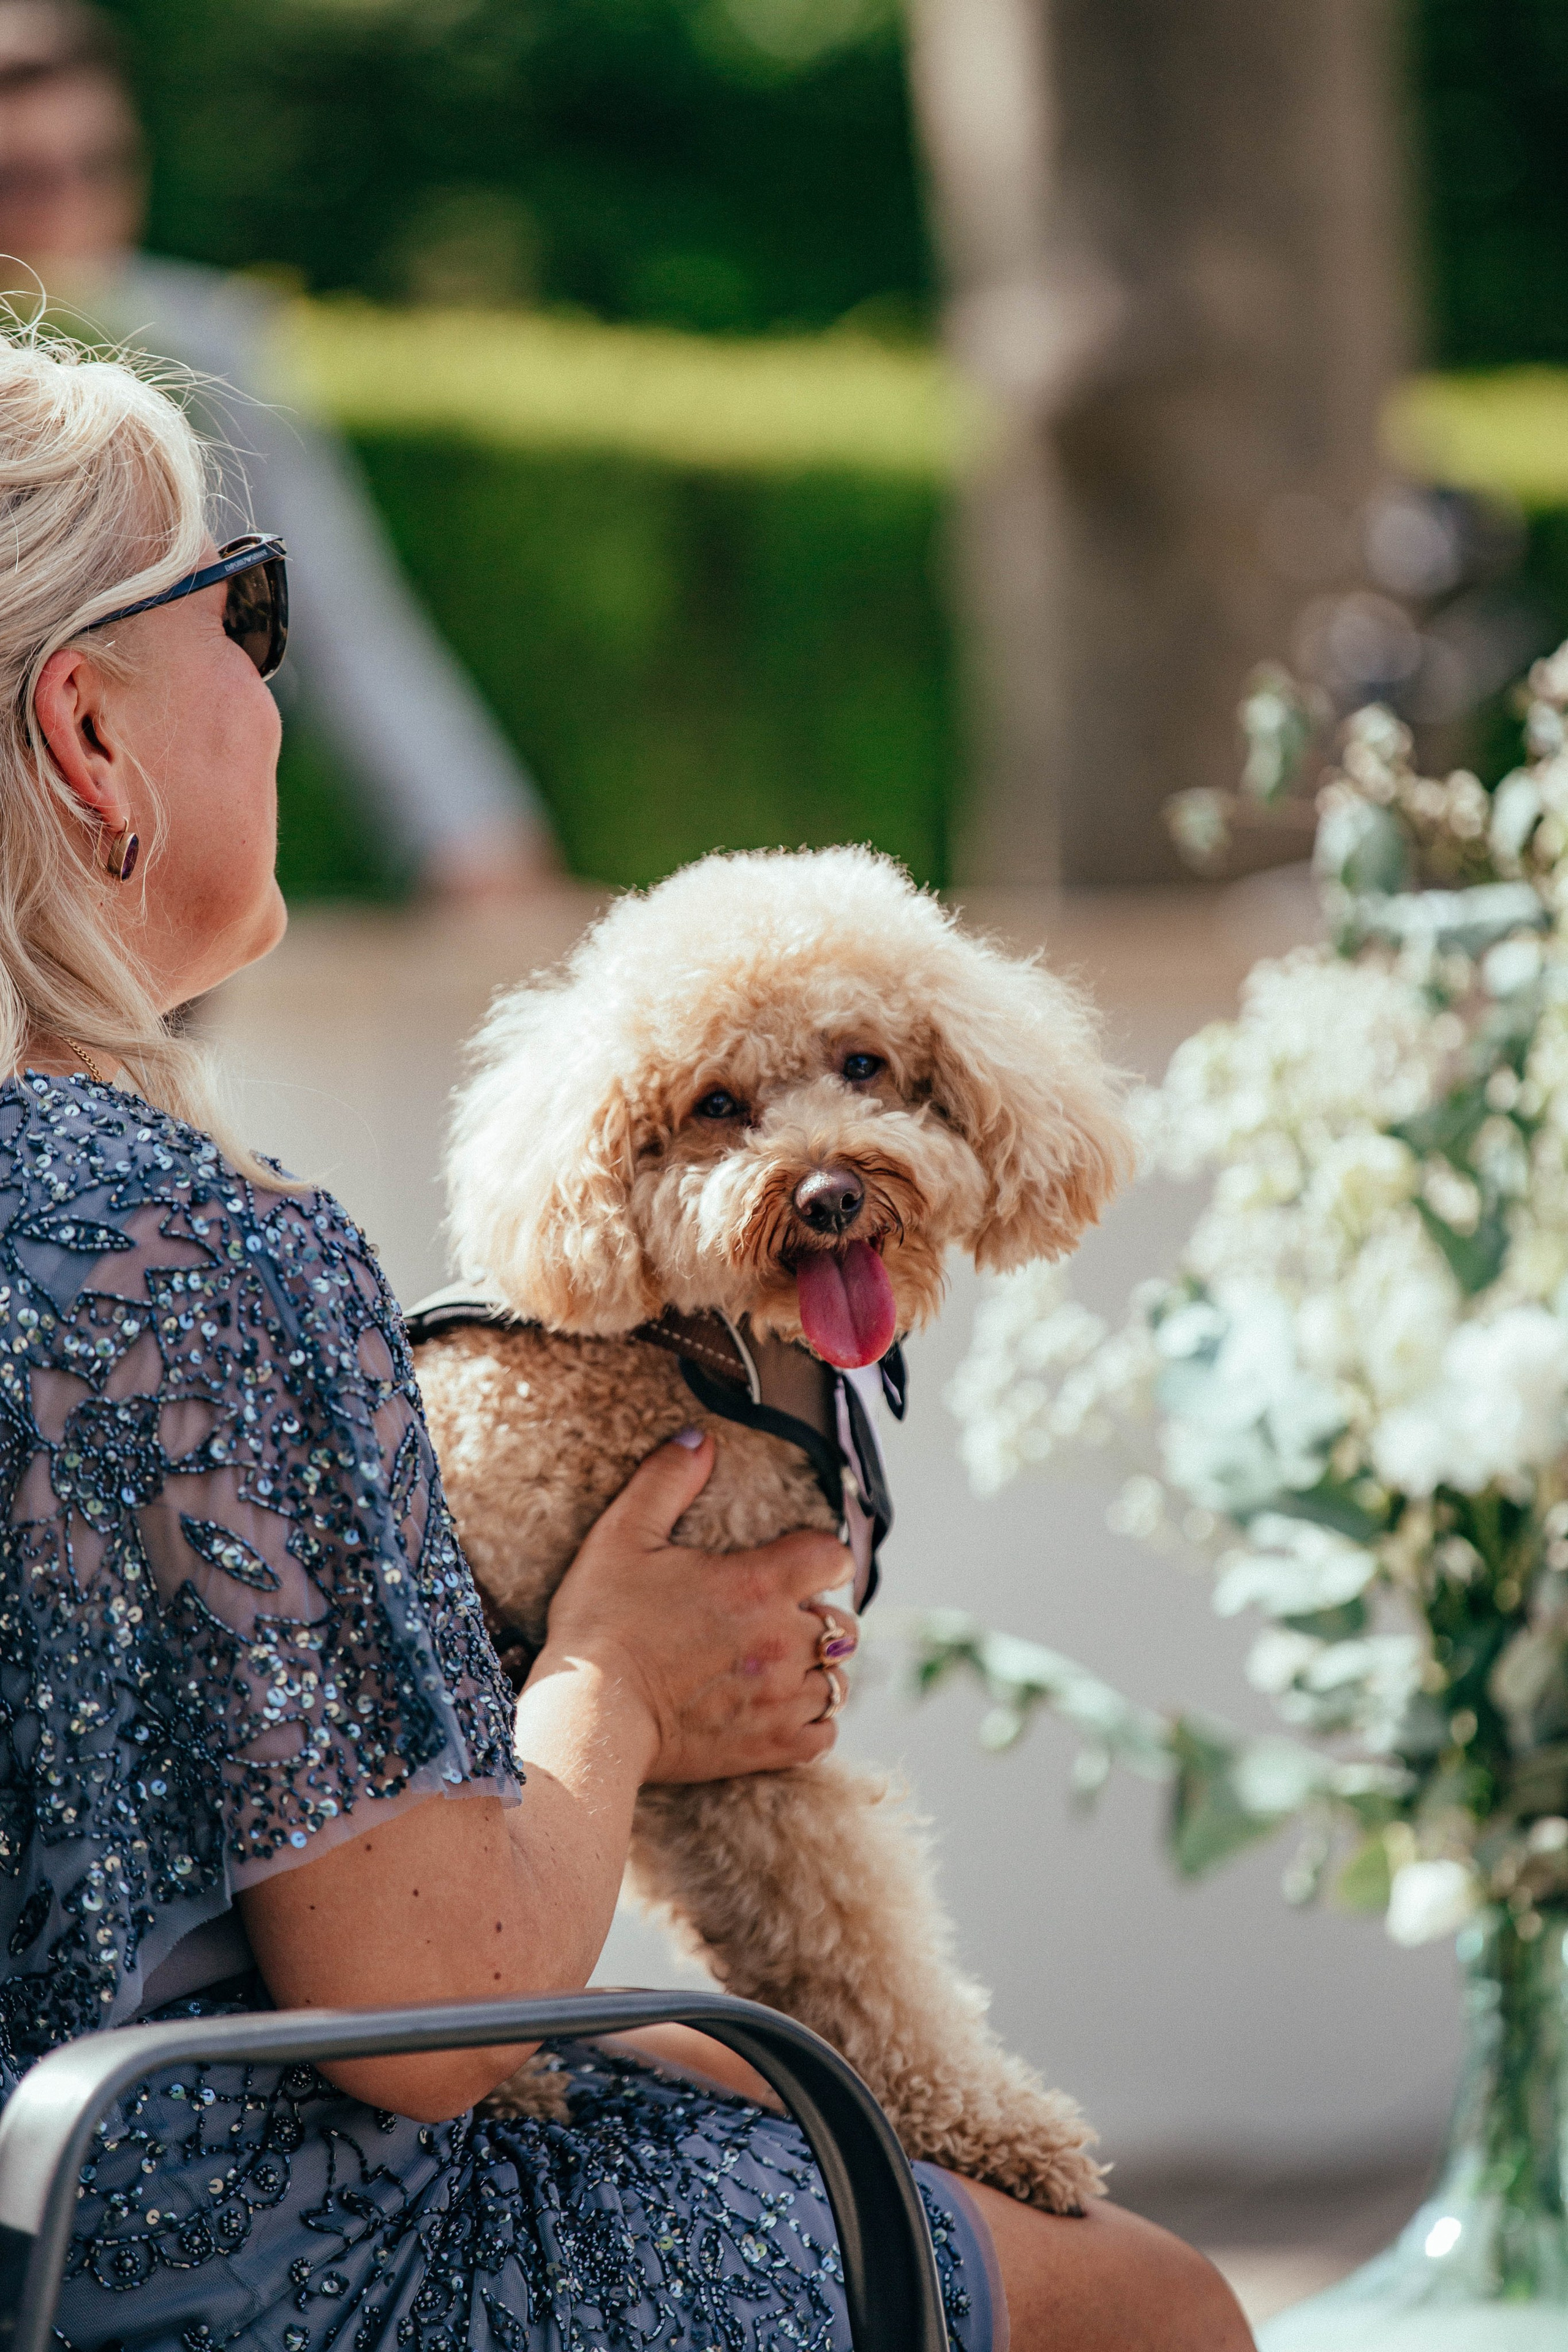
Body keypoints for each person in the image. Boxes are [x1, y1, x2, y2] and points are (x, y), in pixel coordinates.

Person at [0, 334, 1252, 2351]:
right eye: (242, 612)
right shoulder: (196, 1251)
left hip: (65, 2180)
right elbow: (419, 2013)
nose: (270, 681)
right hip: (241, 2250)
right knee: (1157, 2304)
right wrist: (619, 1668)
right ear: (89, 735)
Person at [0, 0, 557, 903]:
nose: (71, 215)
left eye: (97, 168)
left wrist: (483, 852)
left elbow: (345, 619)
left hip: (152, 884)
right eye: (21, 180)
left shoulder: (215, 350)